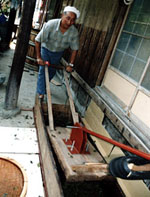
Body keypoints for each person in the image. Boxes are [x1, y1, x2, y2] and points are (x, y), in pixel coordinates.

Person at [35, 6, 80, 99]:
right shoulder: (51, 24)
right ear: (62, 15)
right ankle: (41, 93)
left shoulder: (74, 32)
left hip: (58, 53)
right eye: (68, 18)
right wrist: (39, 57)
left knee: (51, 71)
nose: (69, 22)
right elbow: (37, 40)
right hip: (46, 49)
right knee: (43, 71)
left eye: (72, 20)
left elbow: (75, 49)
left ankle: (43, 87)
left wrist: (70, 65)